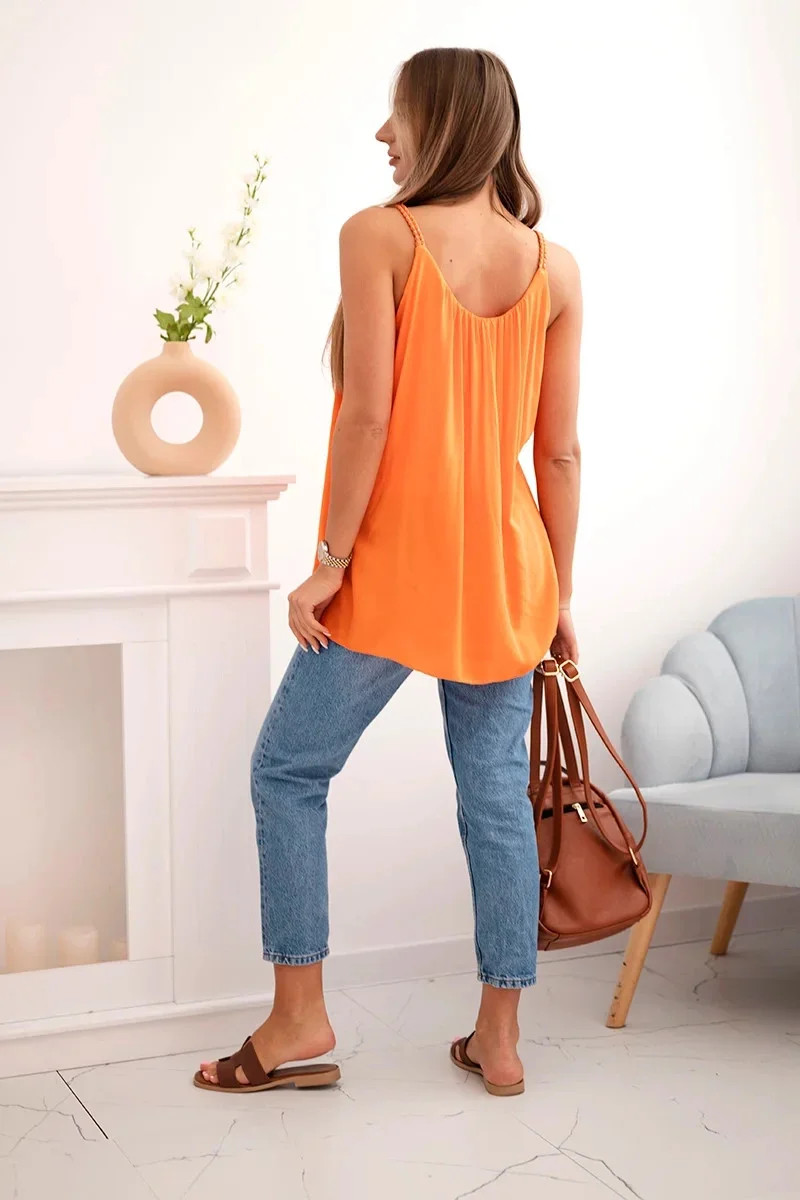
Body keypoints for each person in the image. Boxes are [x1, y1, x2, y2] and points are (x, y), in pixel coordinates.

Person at [195, 46, 581, 1098]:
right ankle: (500, 1039)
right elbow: (557, 455)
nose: (382, 135)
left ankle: (297, 1018)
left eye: (395, 114)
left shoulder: (380, 236)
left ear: (440, 122)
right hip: (505, 571)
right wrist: (557, 595)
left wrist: (326, 565)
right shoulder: (553, 268)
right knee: (495, 799)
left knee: (287, 769)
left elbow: (367, 415)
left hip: (396, 565)